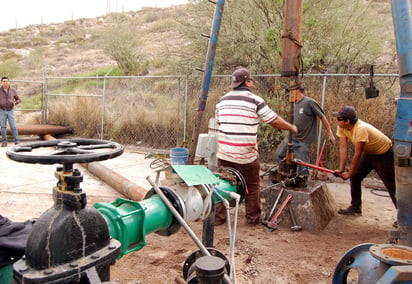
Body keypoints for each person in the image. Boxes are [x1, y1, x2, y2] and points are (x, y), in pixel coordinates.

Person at [214, 67, 298, 225]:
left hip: (224, 153)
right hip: (246, 155)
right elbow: (273, 121)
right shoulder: (255, 100)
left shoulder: (222, 100)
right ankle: (252, 219)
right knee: (252, 186)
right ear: (248, 82)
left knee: (223, 184)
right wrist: (291, 127)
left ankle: (218, 218)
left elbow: (219, 122)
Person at [332, 105, 397, 215]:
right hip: (369, 153)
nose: (337, 121)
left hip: (383, 153)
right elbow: (343, 148)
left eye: (339, 119)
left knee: (391, 185)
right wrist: (342, 169)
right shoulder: (341, 127)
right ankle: (356, 207)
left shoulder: (361, 129)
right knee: (355, 177)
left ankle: (404, 217)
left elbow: (357, 154)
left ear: (347, 121)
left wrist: (350, 173)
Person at [274, 86, 335, 183]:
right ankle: (290, 175)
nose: (289, 94)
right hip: (291, 138)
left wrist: (330, 133)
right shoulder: (293, 104)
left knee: (304, 166)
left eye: (290, 92)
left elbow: (322, 117)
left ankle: (302, 181)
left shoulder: (309, 102)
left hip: (304, 140)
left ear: (297, 91)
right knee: (278, 155)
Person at [0, 76, 20, 147]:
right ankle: (4, 142)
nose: (5, 82)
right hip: (2, 110)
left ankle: (16, 141)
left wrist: (15, 103)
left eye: (6, 81)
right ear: (1, 82)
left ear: (8, 82)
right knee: (3, 127)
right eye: (3, 81)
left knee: (13, 126)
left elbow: (18, 99)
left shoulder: (13, 90)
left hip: (10, 110)